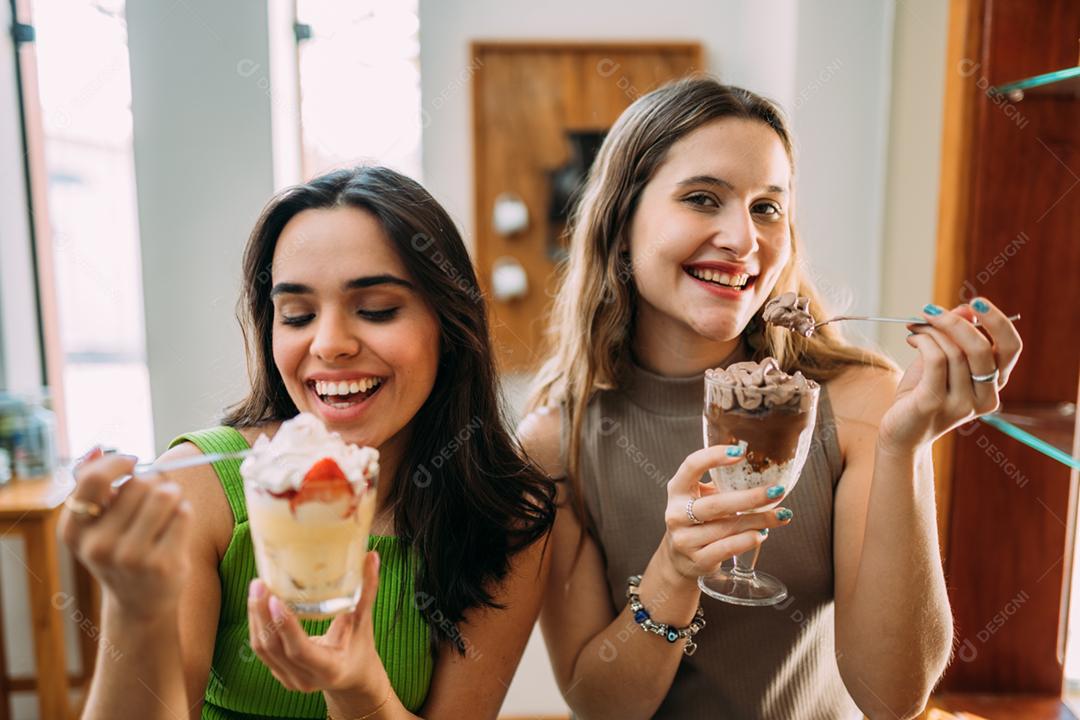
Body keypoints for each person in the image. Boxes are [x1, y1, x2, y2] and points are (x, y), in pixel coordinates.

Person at [519, 78, 1022, 719]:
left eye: (767, 207)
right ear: (621, 227)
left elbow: (892, 697)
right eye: (703, 199)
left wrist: (906, 446)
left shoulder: (863, 402)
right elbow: (602, 705)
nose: (744, 239)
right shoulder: (555, 443)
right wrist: (674, 572)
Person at [60, 166, 556, 719]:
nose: (329, 344)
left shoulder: (505, 516)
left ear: (449, 323)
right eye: (297, 315)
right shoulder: (199, 489)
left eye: (376, 310)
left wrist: (359, 691)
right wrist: (133, 608)